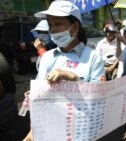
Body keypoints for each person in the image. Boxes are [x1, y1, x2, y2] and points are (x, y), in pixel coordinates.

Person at [23, 1, 105, 141]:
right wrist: (32, 131)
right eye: (50, 25)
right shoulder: (47, 57)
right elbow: (39, 100)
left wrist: (75, 79)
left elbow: (100, 99)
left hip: (80, 132)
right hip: (49, 131)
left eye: (58, 23)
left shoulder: (93, 57)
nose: (53, 29)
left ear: (75, 26)